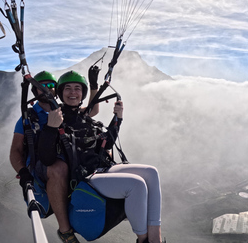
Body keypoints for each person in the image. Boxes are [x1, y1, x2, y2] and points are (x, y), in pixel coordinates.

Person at [38, 71, 165, 243]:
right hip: (86, 177)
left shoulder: (85, 118)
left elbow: (107, 144)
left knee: (151, 172)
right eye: (67, 88)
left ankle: (155, 237)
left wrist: (118, 119)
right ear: (60, 93)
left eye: (77, 88)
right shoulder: (56, 118)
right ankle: (144, 240)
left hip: (103, 167)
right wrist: (51, 128)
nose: (73, 92)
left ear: (82, 93)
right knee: (136, 184)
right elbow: (47, 158)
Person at [9, 68, 100, 243]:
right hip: (42, 164)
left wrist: (95, 86)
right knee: (58, 169)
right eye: (40, 86)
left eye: (50, 85)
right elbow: (15, 150)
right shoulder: (28, 118)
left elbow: (91, 111)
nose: (45, 89)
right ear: (35, 91)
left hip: (69, 159)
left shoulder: (62, 111)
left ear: (55, 89)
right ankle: (65, 230)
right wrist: (23, 171)